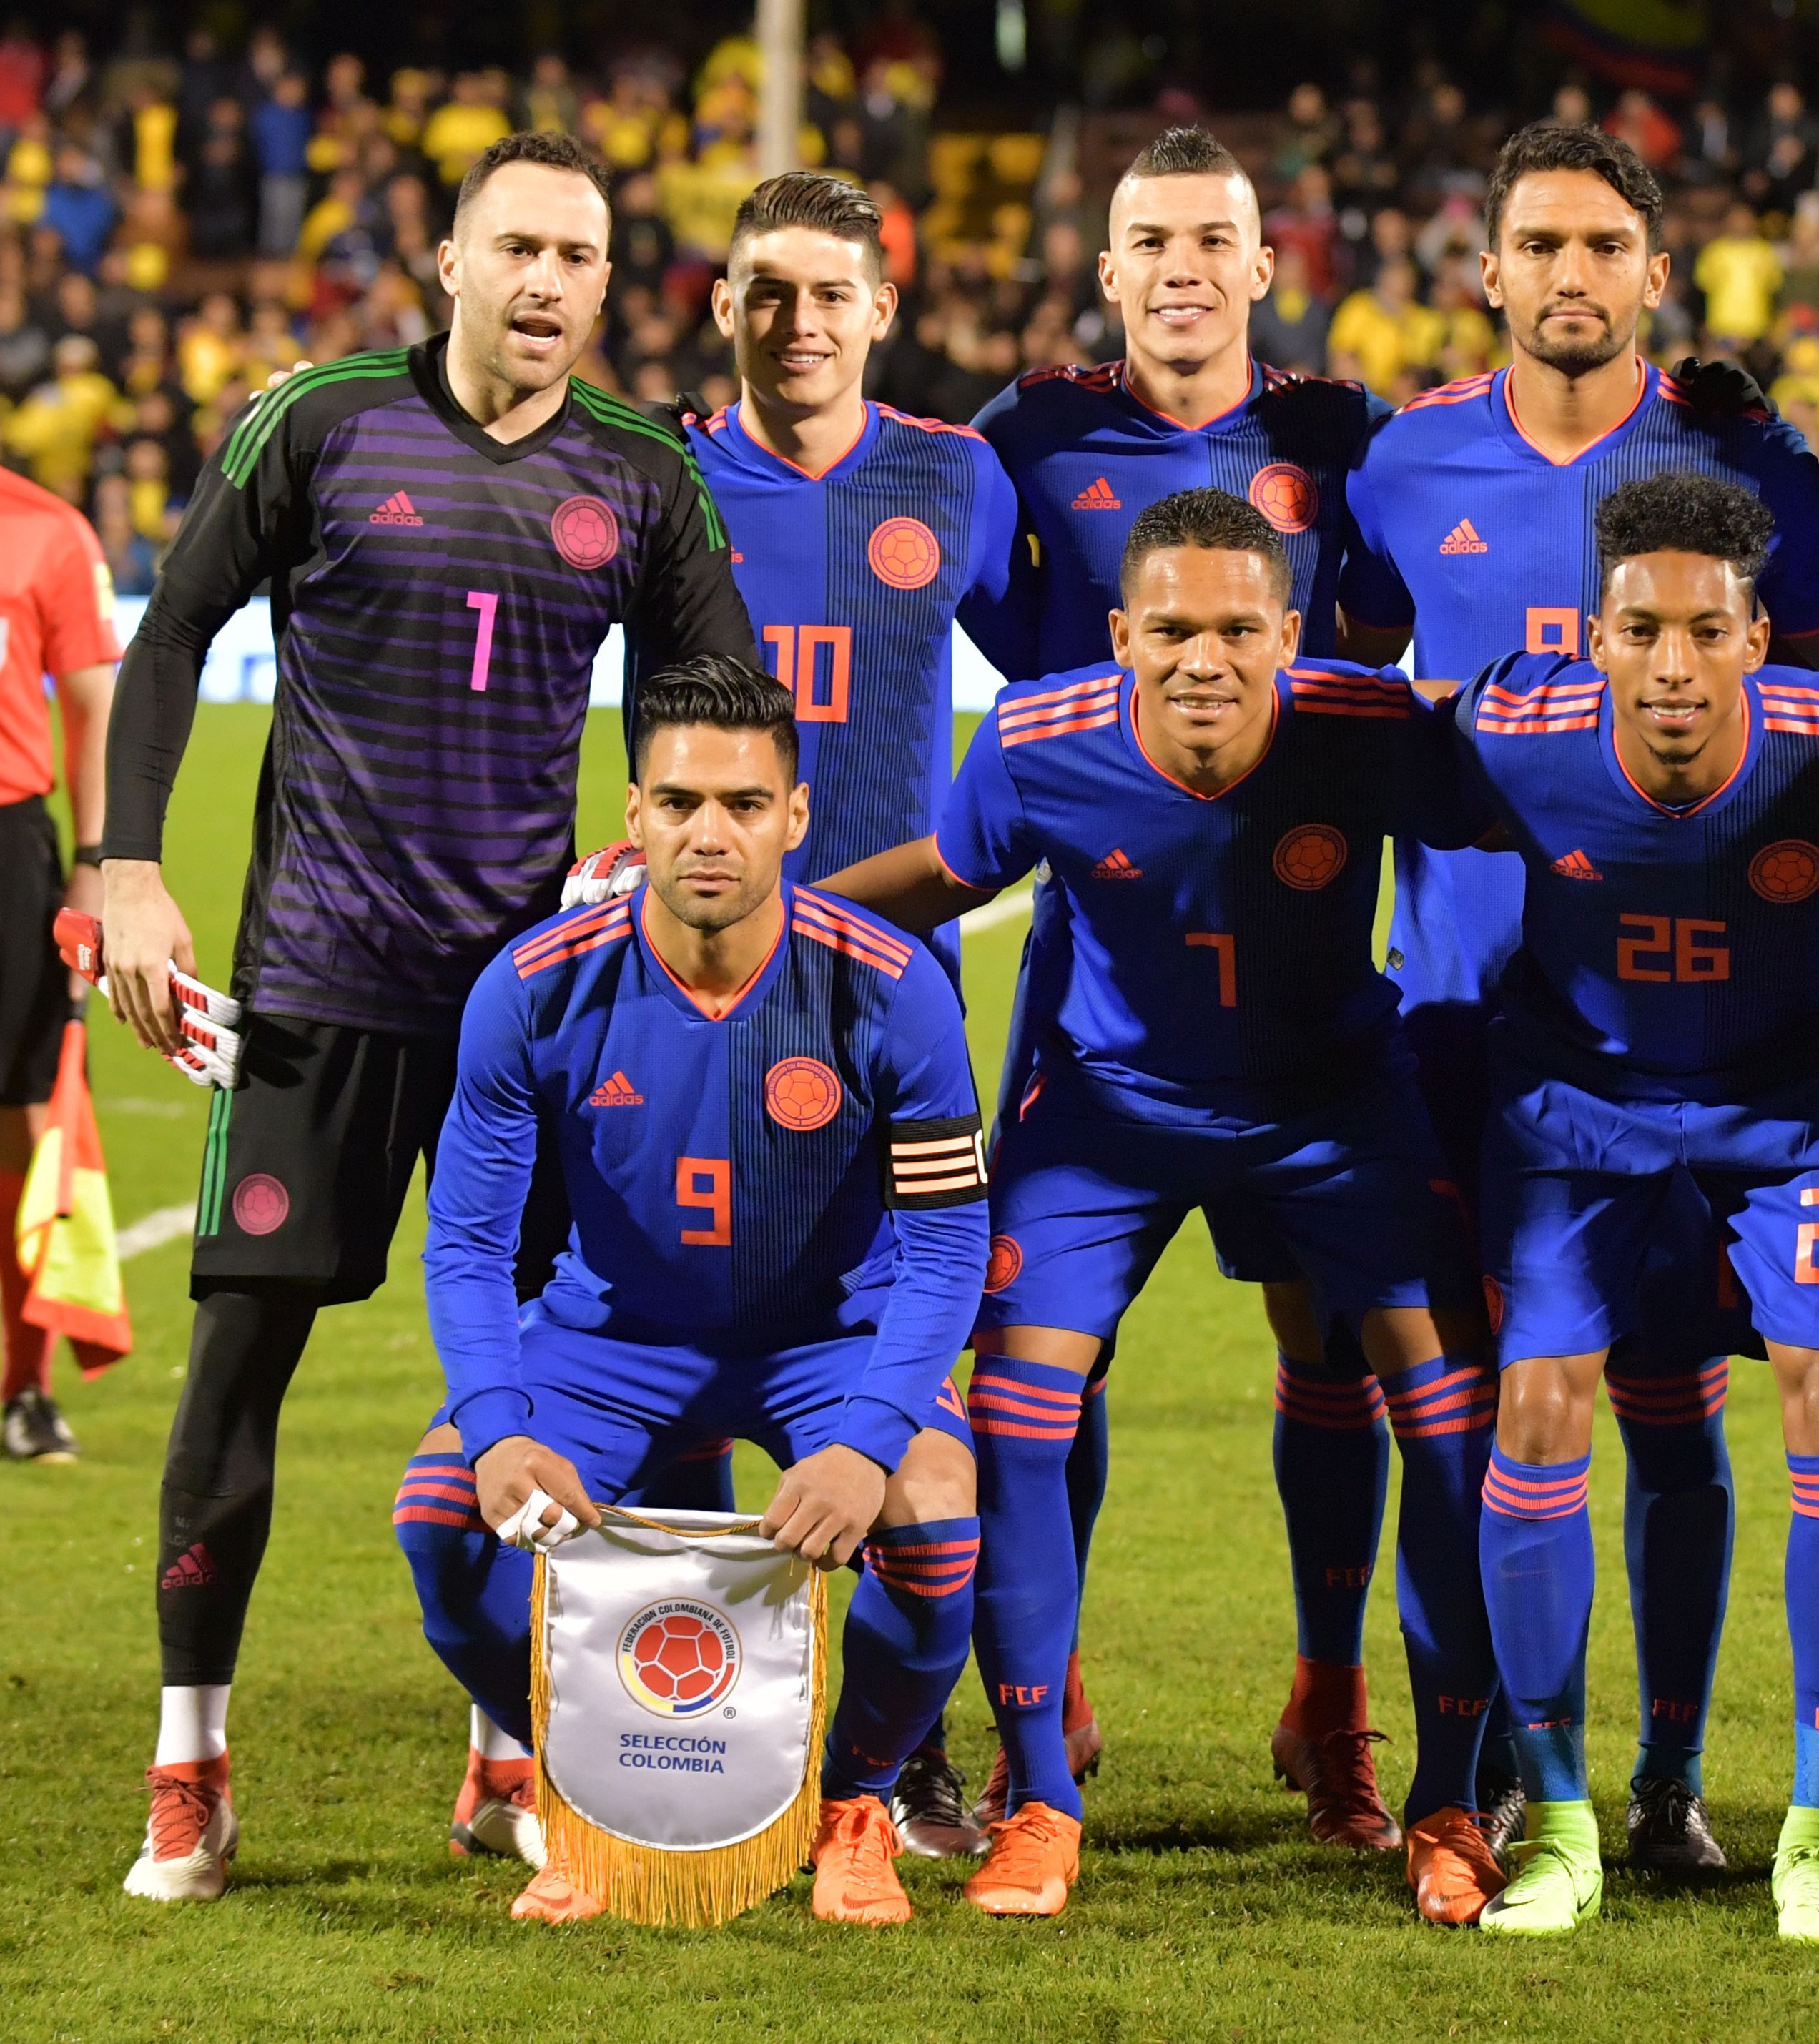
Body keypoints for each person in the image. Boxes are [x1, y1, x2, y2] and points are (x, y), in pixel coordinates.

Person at [97, 130, 756, 1903]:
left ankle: (508, 1750)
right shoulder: (317, 420)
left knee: (550, 1386)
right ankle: (191, 1767)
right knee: (241, 1367)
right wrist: (127, 870)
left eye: (579, 257)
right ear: (449, 265)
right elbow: (169, 639)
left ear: (607, 291)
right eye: (517, 247)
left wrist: (652, 842)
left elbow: (716, 700)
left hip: (528, 1019)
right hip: (308, 992)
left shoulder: (641, 473)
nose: (546, 282)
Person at [815, 490, 1507, 1927]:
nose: (1206, 656)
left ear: (1290, 633)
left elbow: (1540, 802)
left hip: (1333, 1105)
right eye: (1174, 627)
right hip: (1109, 1114)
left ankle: (1446, 1793)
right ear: (1122, 631)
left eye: (1239, 627)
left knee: (1450, 1418)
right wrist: (772, 914)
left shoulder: (1368, 726)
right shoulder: (1036, 737)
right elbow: (947, 875)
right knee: (1014, 1408)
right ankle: (1039, 1800)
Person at [1339, 119, 1819, 1872]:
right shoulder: (1397, 468)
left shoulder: (1745, 469)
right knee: (1472, 1402)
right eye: (1538, 245)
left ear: (1655, 274)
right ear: (1485, 270)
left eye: (1603, 247)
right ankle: (1477, 1757)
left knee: (1674, 1399)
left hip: (1697, 1022)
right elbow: (1357, 718)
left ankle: (1662, 1780)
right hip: (1458, 1017)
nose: (1569, 276)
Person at [551, 168, 1040, 1858]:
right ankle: (653, 1742)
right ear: (721, 304)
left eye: (831, 291)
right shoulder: (661, 474)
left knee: (934, 1371)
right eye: (767, 289)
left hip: (891, 1006)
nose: (799, 320)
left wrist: (952, 859)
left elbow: (1056, 687)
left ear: (882, 311)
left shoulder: (957, 479)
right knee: (667, 1364)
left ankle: (946, 1733)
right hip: (671, 1006)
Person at [398, 656, 990, 1927]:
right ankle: (591, 1790)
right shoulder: (531, 988)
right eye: (677, 805)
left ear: (796, 816)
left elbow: (947, 1250)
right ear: (634, 818)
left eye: (739, 803)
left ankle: (849, 1808)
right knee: (440, 1518)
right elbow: (465, 1243)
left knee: (936, 1513)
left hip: (828, 1339)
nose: (707, 834)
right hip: (613, 1341)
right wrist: (499, 1422)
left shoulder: (893, 987)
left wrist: (869, 1441)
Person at [970, 128, 1404, 1840]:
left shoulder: (1336, 440)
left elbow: (1386, 631)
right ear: (1104, 266)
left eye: (1209, 239)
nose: (1179, 269)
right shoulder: (1027, 436)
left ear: (1259, 265)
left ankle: (1331, 1697)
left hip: (1291, 929)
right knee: (1048, 1345)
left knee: (1336, 1344)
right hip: (1102, 927)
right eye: (1146, 239)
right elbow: (1007, 651)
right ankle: (1046, 1688)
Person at [1446, 473, 1819, 1945]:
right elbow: (1338, 755)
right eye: (1638, 628)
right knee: (1535, 1402)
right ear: (1586, 635)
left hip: (1793, 1102)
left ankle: (1818, 1830)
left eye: (1704, 629)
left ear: (1758, 634)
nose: (1671, 664)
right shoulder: (1506, 728)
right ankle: (1559, 1824)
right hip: (1576, 1100)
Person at [0, 309, 122, 1464]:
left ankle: (25, 1385)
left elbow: (97, 703)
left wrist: (99, 866)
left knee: (19, 1134)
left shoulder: (43, 530)